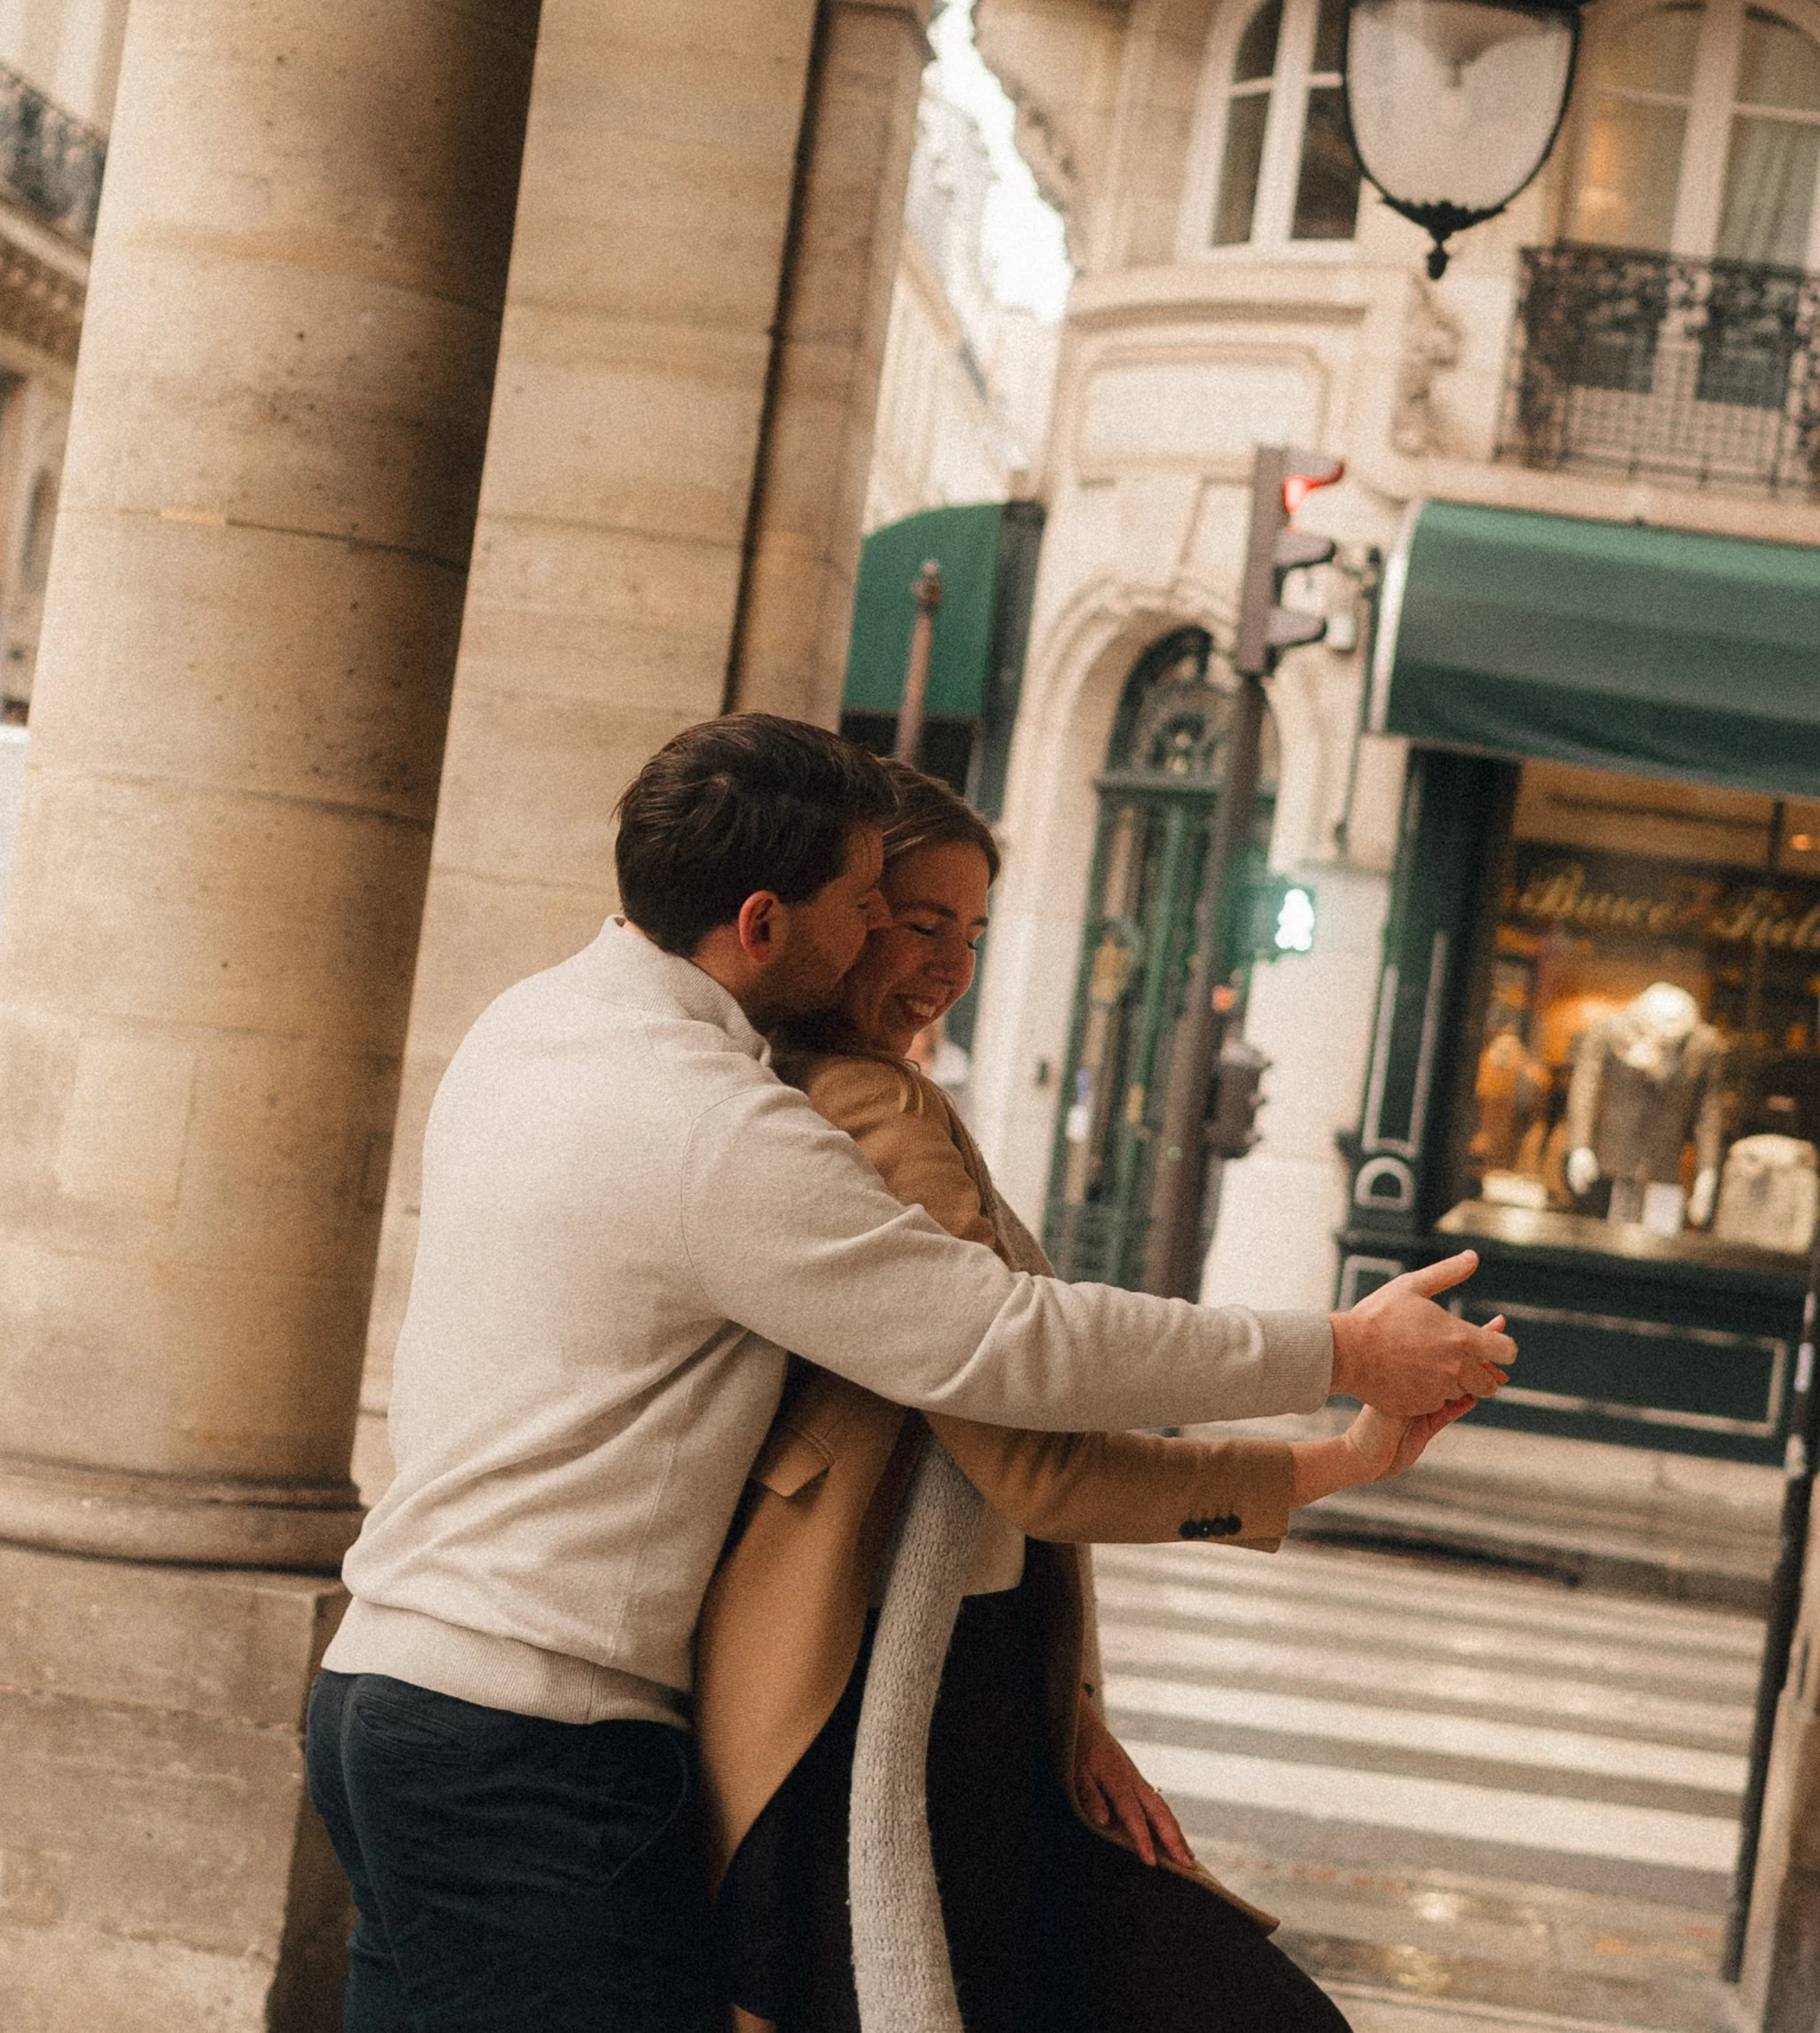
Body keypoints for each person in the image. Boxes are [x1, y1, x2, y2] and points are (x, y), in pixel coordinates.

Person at [305, 715, 1514, 2033]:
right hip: (529, 1735)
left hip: (380, 1690)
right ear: (765, 922)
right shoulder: (725, 1127)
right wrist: (1336, 1350)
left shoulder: (527, 1021)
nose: (902, 940)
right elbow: (1003, 1344)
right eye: (870, 906)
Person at [698, 764, 1482, 2033]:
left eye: (972, 931)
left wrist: (1061, 1706)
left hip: (964, 1690)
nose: (949, 962)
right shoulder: (867, 1102)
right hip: (883, 1707)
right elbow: (1032, 1452)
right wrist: (1338, 1410)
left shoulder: (853, 1092)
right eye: (915, 919)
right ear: (831, 920)